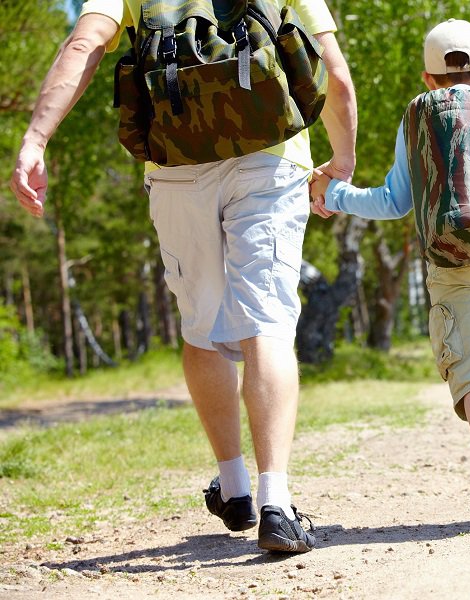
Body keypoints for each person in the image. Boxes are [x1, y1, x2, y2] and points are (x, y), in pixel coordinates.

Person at [9, 0, 357, 552]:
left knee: (202, 323)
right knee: (267, 321)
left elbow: (85, 46)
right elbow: (333, 73)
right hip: (272, 158)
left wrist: (36, 140)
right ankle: (276, 502)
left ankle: (235, 487)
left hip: (175, 168)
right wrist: (342, 159)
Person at [310, 19, 470, 530]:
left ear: (428, 81)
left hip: (449, 261)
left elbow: (393, 202)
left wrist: (333, 195)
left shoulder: (416, 123)